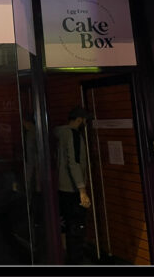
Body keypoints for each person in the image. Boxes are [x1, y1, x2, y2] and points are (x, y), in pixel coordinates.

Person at [55, 105, 93, 263]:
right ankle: (75, 260)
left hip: (60, 186)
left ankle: (64, 255)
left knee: (64, 223)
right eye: (84, 120)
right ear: (79, 120)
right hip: (72, 189)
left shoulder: (58, 133)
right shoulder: (74, 135)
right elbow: (74, 162)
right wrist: (82, 190)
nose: (85, 123)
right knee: (76, 226)